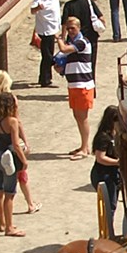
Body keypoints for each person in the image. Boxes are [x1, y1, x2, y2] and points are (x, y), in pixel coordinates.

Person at [56, 15, 95, 160]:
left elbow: (64, 49)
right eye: (68, 27)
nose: (70, 30)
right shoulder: (74, 43)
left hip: (82, 85)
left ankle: (84, 149)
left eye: (73, 28)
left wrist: (59, 38)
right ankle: (83, 145)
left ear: (79, 28)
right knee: (77, 116)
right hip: (73, 85)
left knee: (82, 117)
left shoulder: (82, 42)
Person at [0, 92, 27, 236]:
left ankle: (2, 223)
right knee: (9, 193)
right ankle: (9, 227)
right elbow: (16, 145)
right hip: (8, 159)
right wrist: (24, 160)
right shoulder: (12, 121)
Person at [90, 104, 122, 228]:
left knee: (113, 204)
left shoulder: (115, 134)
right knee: (110, 206)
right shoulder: (103, 137)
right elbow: (100, 158)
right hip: (104, 174)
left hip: (113, 173)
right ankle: (109, 231)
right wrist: (118, 162)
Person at [30, 0, 62, 88]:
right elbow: (32, 10)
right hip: (45, 30)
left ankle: (44, 77)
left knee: (47, 55)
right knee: (47, 56)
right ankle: (45, 79)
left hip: (53, 29)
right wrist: (38, 8)